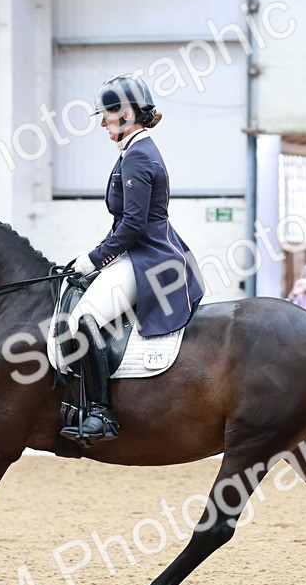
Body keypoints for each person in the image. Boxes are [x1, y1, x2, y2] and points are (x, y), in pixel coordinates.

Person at [62, 74, 205, 444]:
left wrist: (94, 260)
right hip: (140, 249)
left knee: (84, 320)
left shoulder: (138, 156)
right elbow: (122, 224)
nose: (102, 123)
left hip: (148, 255)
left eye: (106, 115)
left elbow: (133, 226)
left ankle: (101, 413)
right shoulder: (134, 151)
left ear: (125, 114)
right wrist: (90, 255)